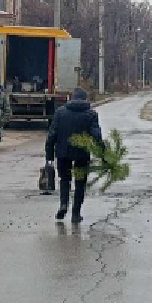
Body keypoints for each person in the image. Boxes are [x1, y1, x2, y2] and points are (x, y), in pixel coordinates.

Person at [45, 87, 103, 224]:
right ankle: (76, 213)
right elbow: (96, 136)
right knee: (80, 183)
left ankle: (63, 204)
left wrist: (49, 157)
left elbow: (52, 135)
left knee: (64, 179)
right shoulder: (91, 114)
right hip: (82, 153)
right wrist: (103, 154)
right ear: (85, 99)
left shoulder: (60, 113)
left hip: (63, 152)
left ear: (71, 98)